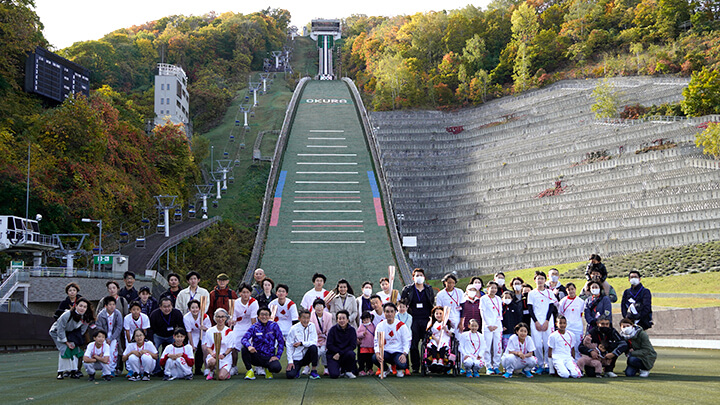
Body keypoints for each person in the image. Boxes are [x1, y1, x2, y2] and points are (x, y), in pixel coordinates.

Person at [399, 268, 435, 374]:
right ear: (413, 277)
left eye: (421, 275)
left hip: (425, 319)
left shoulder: (428, 289)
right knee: (413, 344)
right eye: (417, 275)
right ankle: (415, 366)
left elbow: (431, 302)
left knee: (427, 343)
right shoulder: (408, 289)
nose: (419, 277)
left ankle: (427, 364)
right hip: (412, 319)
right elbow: (403, 302)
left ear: (424, 277)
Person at [50, 297, 93, 379]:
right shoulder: (67, 315)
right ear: (76, 306)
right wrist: (66, 342)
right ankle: (60, 372)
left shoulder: (85, 317)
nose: (82, 308)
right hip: (57, 332)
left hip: (71, 333)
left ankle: (74, 370)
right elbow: (60, 329)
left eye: (84, 307)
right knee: (64, 350)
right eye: (80, 306)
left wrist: (75, 339)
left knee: (75, 349)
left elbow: (82, 330)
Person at [241, 307, 285, 380]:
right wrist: (249, 346)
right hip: (257, 356)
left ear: (270, 316)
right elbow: (244, 339)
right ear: (258, 316)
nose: (264, 317)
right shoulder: (254, 327)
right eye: (262, 314)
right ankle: (250, 371)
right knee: (244, 349)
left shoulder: (274, 326)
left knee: (277, 368)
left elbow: (281, 341)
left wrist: (278, 356)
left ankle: (268, 369)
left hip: (269, 357)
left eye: (266, 314)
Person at [527, 271, 557, 374]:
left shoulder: (549, 293)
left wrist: (547, 321)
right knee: (538, 345)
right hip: (536, 321)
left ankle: (548, 364)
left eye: (542, 278)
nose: (540, 281)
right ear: (535, 280)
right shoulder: (531, 293)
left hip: (548, 322)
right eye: (538, 279)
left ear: (545, 280)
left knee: (548, 344)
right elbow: (530, 308)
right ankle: (540, 364)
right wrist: (536, 321)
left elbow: (551, 307)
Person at [373, 303, 411, 378]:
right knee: (374, 357)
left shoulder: (401, 325)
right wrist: (377, 353)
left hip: (398, 352)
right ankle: (385, 369)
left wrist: (404, 354)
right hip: (386, 352)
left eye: (391, 311)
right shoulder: (380, 325)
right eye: (387, 312)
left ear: (395, 313)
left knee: (402, 363)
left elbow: (407, 341)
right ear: (384, 313)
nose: (389, 314)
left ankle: (399, 369)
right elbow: (377, 341)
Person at [149, 297, 185, 375]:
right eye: (164, 307)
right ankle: (157, 370)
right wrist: (152, 342)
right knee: (154, 349)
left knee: (177, 347)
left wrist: (179, 337)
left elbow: (181, 327)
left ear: (172, 306)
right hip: (158, 335)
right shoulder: (154, 314)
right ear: (160, 307)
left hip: (172, 336)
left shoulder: (177, 313)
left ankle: (174, 368)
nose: (167, 309)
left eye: (169, 306)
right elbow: (150, 329)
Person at [285, 309, 320, 379]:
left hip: (307, 356)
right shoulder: (293, 329)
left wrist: (302, 343)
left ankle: (313, 370)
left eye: (308, 318)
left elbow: (314, 342)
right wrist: (290, 361)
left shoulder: (312, 326)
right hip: (297, 357)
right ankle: (297, 369)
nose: (306, 320)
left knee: (314, 348)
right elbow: (289, 345)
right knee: (290, 375)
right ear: (299, 318)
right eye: (304, 318)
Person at [203, 308, 235, 380]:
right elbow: (208, 346)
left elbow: (230, 347)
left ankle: (226, 372)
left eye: (222, 317)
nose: (220, 319)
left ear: (226, 318)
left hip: (225, 358)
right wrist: (212, 354)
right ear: (215, 318)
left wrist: (224, 355)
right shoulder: (210, 331)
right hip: (214, 356)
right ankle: (211, 371)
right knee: (211, 361)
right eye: (218, 317)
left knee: (221, 377)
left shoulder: (229, 332)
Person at [233, 282, 259, 369]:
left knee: (253, 346)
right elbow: (233, 318)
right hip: (238, 327)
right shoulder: (235, 303)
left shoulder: (254, 302)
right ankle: (233, 367)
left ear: (250, 293)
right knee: (233, 346)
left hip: (250, 327)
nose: (245, 294)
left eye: (247, 292)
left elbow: (253, 320)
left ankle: (257, 367)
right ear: (240, 293)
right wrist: (231, 322)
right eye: (243, 292)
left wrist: (254, 332)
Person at [183, 299, 211, 376]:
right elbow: (188, 332)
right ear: (189, 309)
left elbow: (210, 329)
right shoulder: (186, 317)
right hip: (193, 334)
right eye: (192, 308)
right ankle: (189, 368)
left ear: (199, 308)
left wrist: (204, 328)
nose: (195, 310)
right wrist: (192, 345)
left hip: (204, 333)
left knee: (205, 348)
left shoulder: (204, 316)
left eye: (196, 307)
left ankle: (207, 368)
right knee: (190, 349)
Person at [326, 310, 358, 378]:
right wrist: (337, 352)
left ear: (347, 320)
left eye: (343, 318)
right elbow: (329, 345)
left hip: (345, 354)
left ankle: (348, 371)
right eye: (339, 318)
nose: (342, 320)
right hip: (333, 355)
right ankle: (340, 370)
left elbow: (353, 345)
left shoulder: (352, 330)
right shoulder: (332, 330)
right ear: (337, 320)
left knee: (351, 354)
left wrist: (340, 353)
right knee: (334, 375)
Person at [480, 281, 503, 374]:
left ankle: (496, 366)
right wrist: (488, 325)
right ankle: (488, 366)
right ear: (488, 288)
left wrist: (496, 324)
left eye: (495, 288)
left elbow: (500, 313)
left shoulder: (498, 299)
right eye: (492, 288)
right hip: (487, 326)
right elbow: (483, 312)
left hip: (497, 326)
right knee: (487, 347)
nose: (493, 290)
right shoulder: (484, 299)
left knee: (498, 347)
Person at [96, 296, 123, 374]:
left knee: (113, 352)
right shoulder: (101, 315)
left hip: (114, 336)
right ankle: (105, 370)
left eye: (113, 304)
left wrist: (111, 338)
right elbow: (99, 327)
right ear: (105, 306)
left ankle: (111, 370)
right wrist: (104, 338)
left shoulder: (117, 314)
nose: (112, 306)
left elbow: (119, 327)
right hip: (103, 337)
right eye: (110, 304)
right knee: (105, 352)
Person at [557, 283, 584, 359]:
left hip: (577, 326)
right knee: (567, 344)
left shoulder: (581, 301)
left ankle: (578, 361)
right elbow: (561, 313)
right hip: (567, 326)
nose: (571, 291)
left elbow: (581, 313)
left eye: (572, 289)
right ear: (566, 291)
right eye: (569, 289)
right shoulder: (563, 301)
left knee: (578, 344)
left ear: (575, 289)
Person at [309, 298, 333, 375]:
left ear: (324, 307)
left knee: (324, 351)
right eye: (317, 306)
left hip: (324, 339)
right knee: (317, 352)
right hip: (314, 339)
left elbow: (329, 330)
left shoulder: (329, 316)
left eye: (321, 305)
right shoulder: (310, 316)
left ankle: (326, 368)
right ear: (314, 307)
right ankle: (312, 367)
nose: (319, 308)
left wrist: (328, 343)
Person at [356, 312, 376, 376]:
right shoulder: (361, 326)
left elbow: (375, 334)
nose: (366, 321)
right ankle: (361, 369)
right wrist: (362, 334)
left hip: (370, 346)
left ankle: (369, 368)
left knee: (369, 358)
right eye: (364, 320)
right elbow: (357, 334)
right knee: (362, 358)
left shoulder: (372, 326)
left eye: (367, 319)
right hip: (363, 346)